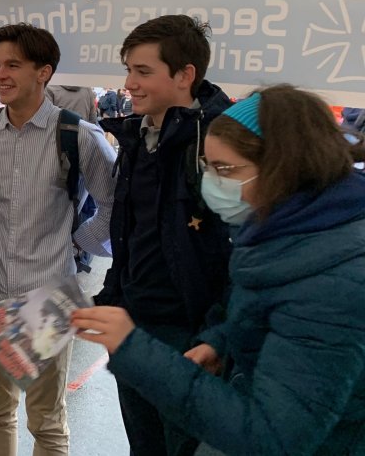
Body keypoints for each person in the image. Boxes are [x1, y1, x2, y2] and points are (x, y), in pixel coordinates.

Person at [73, 85, 365, 456]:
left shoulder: (331, 284)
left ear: (283, 166)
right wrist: (224, 342)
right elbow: (273, 314)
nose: (212, 182)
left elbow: (268, 437)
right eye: (207, 167)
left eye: (225, 169)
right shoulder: (288, 233)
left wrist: (136, 350)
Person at [0, 23, 116, 456]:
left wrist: (78, 239)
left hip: (46, 298)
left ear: (44, 72)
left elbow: (116, 205)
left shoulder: (78, 135)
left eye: (13, 65)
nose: (0, 75)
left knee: (46, 422)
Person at [95, 14, 232, 456]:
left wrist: (215, 335)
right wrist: (111, 300)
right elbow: (131, 235)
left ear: (185, 75)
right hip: (135, 328)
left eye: (143, 71)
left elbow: (245, 257)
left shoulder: (222, 143)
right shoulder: (138, 136)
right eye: (129, 70)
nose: (129, 83)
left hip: (189, 338)